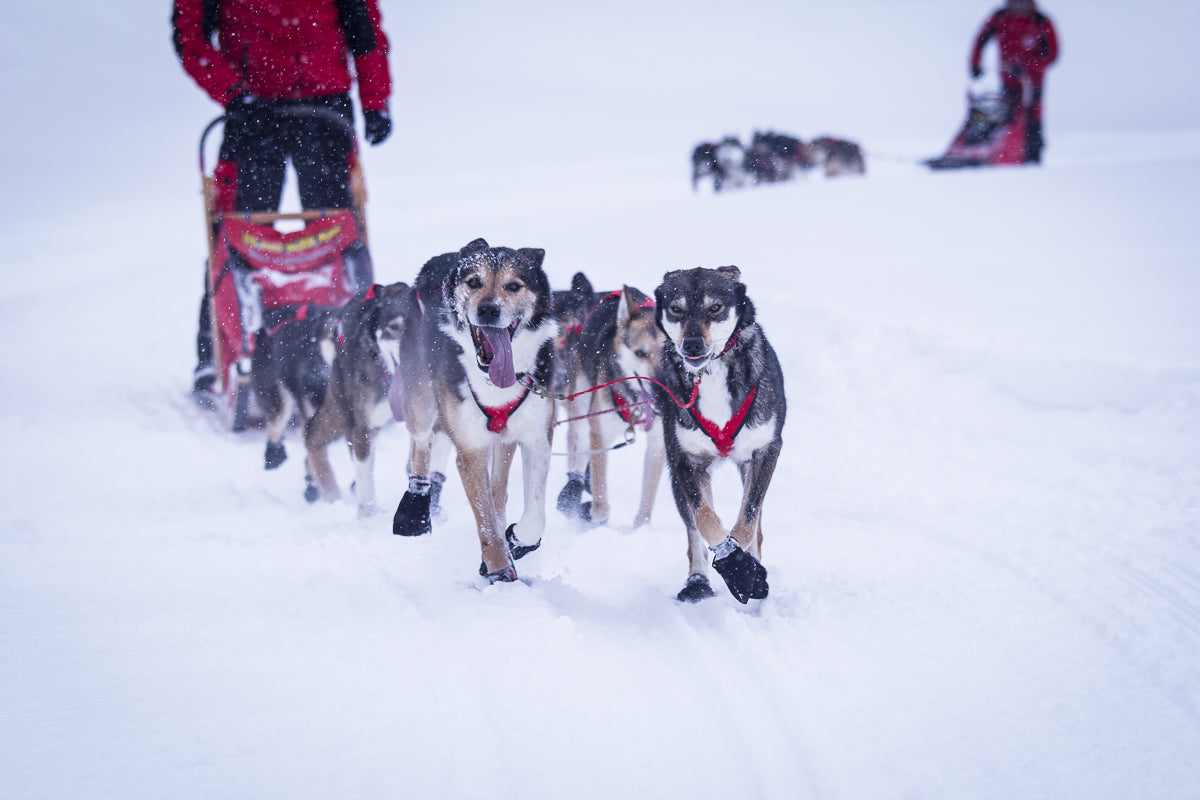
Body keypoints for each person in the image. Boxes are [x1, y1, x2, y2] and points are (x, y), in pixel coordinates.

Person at [172, 0, 393, 394]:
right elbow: (189, 36)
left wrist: (376, 100)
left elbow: (363, 27)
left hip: (325, 103)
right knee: (234, 237)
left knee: (339, 237)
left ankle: (352, 347)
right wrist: (233, 93)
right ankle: (217, 355)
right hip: (252, 109)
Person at [969, 0, 1058, 163]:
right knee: (1006, 117)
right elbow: (981, 40)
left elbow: (1052, 54)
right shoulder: (1000, 17)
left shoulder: (1040, 21)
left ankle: (1032, 157)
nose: (1017, 5)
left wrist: (1027, 66)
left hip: (1033, 83)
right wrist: (975, 63)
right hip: (1008, 80)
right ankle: (1001, 154)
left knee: (1032, 119)